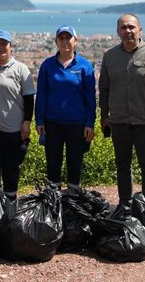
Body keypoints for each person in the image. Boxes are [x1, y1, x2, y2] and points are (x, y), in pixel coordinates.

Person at [99, 14, 145, 205]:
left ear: (140, 29)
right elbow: (104, 88)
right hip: (119, 120)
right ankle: (125, 203)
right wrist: (104, 116)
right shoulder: (110, 56)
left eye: (131, 27)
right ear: (118, 31)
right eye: (123, 27)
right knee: (122, 165)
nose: (128, 31)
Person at [35, 25, 96, 186]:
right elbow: (41, 94)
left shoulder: (84, 66)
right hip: (52, 123)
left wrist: (90, 123)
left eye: (68, 37)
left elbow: (90, 97)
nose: (65, 41)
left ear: (75, 40)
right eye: (61, 38)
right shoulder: (47, 65)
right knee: (53, 165)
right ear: (56, 42)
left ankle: (73, 200)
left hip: (77, 123)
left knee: (75, 164)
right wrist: (39, 120)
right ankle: (53, 202)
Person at [0, 29, 36, 200]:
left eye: (5, 44)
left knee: (11, 168)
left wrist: (27, 122)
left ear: (11, 47)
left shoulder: (21, 69)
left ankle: (10, 204)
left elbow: (29, 98)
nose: (1, 47)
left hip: (13, 129)